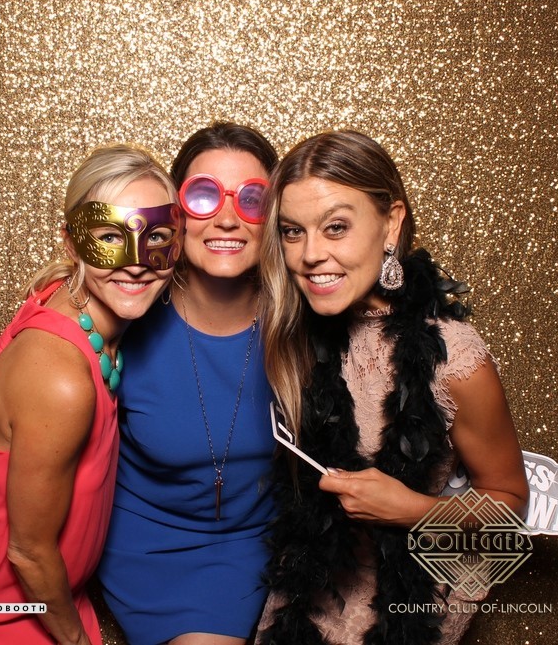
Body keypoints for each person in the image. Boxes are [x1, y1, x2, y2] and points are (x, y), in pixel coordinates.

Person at [255, 131, 529, 645]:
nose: (310, 254)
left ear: (391, 223)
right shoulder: (294, 334)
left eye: (336, 227)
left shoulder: (455, 357)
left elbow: (509, 502)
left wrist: (410, 510)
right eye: (293, 232)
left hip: (400, 614)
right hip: (301, 604)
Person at [0, 144, 183, 645]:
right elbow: (29, 551)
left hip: (43, 591)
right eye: (109, 238)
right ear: (72, 244)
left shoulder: (61, 297)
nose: (136, 264)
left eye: (157, 237)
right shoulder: (61, 376)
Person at [96, 123, 280, 645]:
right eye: (203, 196)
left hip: (246, 547)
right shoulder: (130, 302)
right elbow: (52, 324)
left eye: (252, 199)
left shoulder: (301, 318)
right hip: (137, 540)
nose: (227, 218)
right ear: (173, 213)